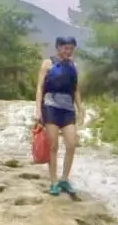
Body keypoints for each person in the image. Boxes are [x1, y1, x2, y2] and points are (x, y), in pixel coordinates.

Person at [34, 36, 83, 196]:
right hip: (50, 108)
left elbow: (75, 90)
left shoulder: (73, 66)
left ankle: (64, 179)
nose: (69, 51)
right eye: (66, 48)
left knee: (71, 144)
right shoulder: (47, 63)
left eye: (71, 49)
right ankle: (54, 181)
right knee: (53, 146)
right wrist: (38, 110)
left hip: (67, 109)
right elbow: (40, 88)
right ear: (58, 47)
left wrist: (80, 108)